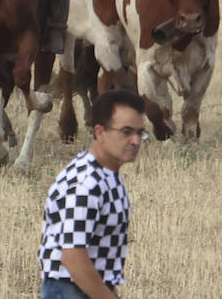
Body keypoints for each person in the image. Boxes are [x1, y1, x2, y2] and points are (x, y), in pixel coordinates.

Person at [38, 89, 146, 299]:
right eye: (126, 131)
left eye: (140, 133)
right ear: (99, 132)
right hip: (71, 290)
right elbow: (73, 256)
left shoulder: (105, 174)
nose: (136, 141)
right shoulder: (86, 183)